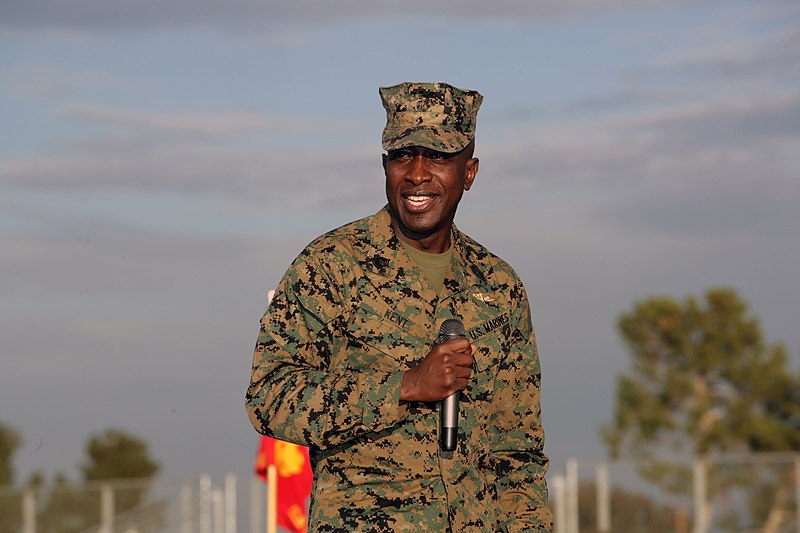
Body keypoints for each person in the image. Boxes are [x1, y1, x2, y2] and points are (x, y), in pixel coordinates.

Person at [246, 82, 552, 532]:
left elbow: (517, 454)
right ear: (385, 165)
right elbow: (269, 396)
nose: (417, 174)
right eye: (403, 155)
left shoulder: (498, 286)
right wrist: (404, 386)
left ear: (469, 172)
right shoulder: (332, 265)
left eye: (440, 156)